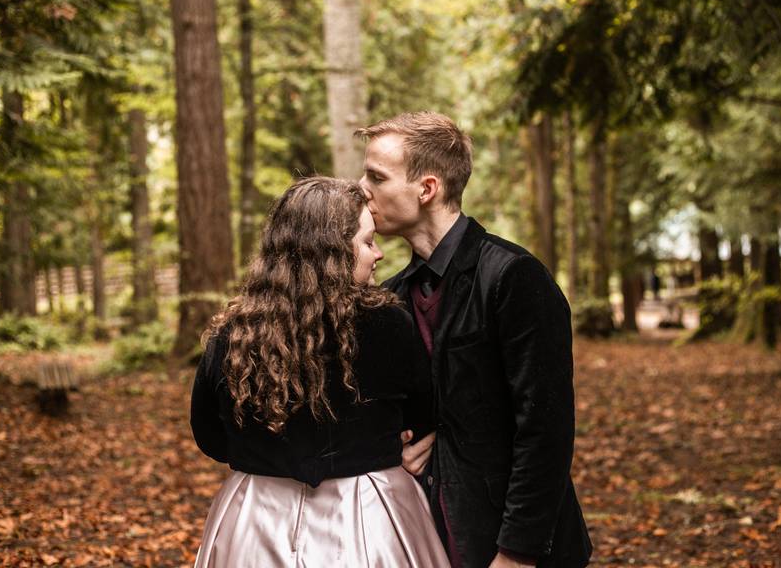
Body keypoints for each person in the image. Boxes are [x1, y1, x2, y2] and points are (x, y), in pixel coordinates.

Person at [357, 112, 593, 568]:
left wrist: (517, 554)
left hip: (515, 543)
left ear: (427, 189)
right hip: (429, 534)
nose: (362, 187)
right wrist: (400, 446)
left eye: (376, 176)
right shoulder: (392, 296)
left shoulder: (513, 277)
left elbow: (546, 430)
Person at [190, 177, 450, 567]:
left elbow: (210, 435)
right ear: (331, 254)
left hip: (256, 521)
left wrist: (261, 454)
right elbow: (423, 414)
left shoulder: (233, 335)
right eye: (367, 242)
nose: (378, 254)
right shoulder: (390, 326)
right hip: (370, 518)